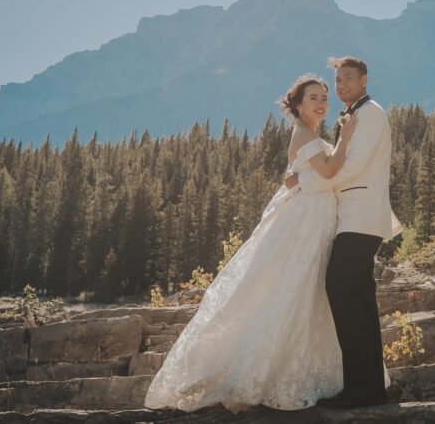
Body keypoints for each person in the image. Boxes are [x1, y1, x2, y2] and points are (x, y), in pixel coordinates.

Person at [144, 74, 363, 413]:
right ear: (298, 104)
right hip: (306, 219)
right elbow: (330, 170)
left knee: (308, 289)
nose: (322, 103)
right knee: (295, 286)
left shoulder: (308, 132)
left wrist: (307, 173)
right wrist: (346, 138)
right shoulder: (305, 133)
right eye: (313, 98)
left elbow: (305, 174)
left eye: (324, 97)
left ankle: (307, 368)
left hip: (317, 215)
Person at [285, 55, 404, 409]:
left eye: (348, 78)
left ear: (364, 79)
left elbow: (352, 168)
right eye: (337, 80)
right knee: (361, 298)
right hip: (354, 217)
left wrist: (303, 181)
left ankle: (360, 387)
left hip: (361, 216)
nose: (341, 86)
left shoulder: (370, 114)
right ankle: (370, 388)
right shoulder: (355, 114)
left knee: (339, 287)